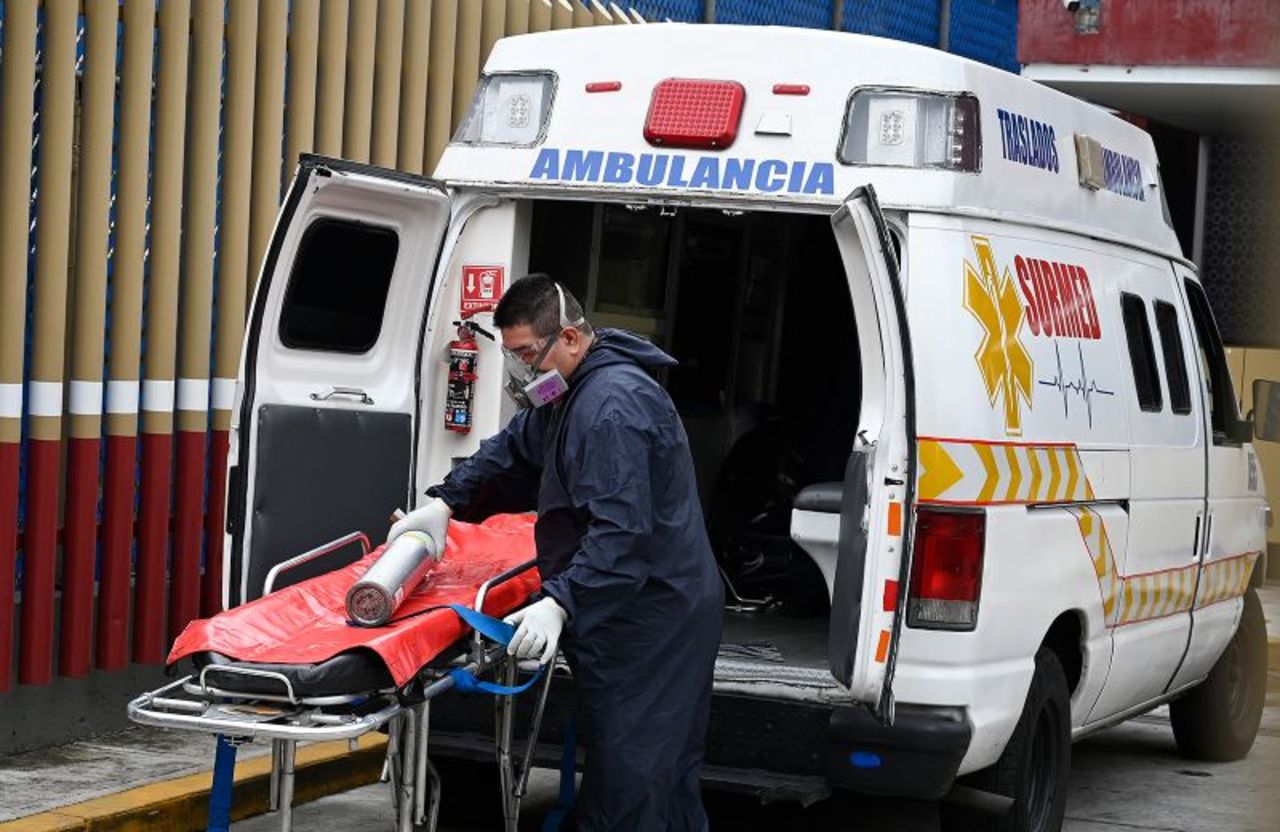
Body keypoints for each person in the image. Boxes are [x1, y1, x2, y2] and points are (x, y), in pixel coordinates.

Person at [388, 274, 724, 831]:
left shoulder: (612, 407)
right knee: (654, 774)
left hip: (653, 616)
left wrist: (559, 602)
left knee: (634, 780)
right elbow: (517, 447)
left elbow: (622, 535)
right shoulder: (568, 388)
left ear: (568, 337)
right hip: (632, 605)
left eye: (526, 354)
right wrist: (448, 503)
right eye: (512, 355)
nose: (521, 371)